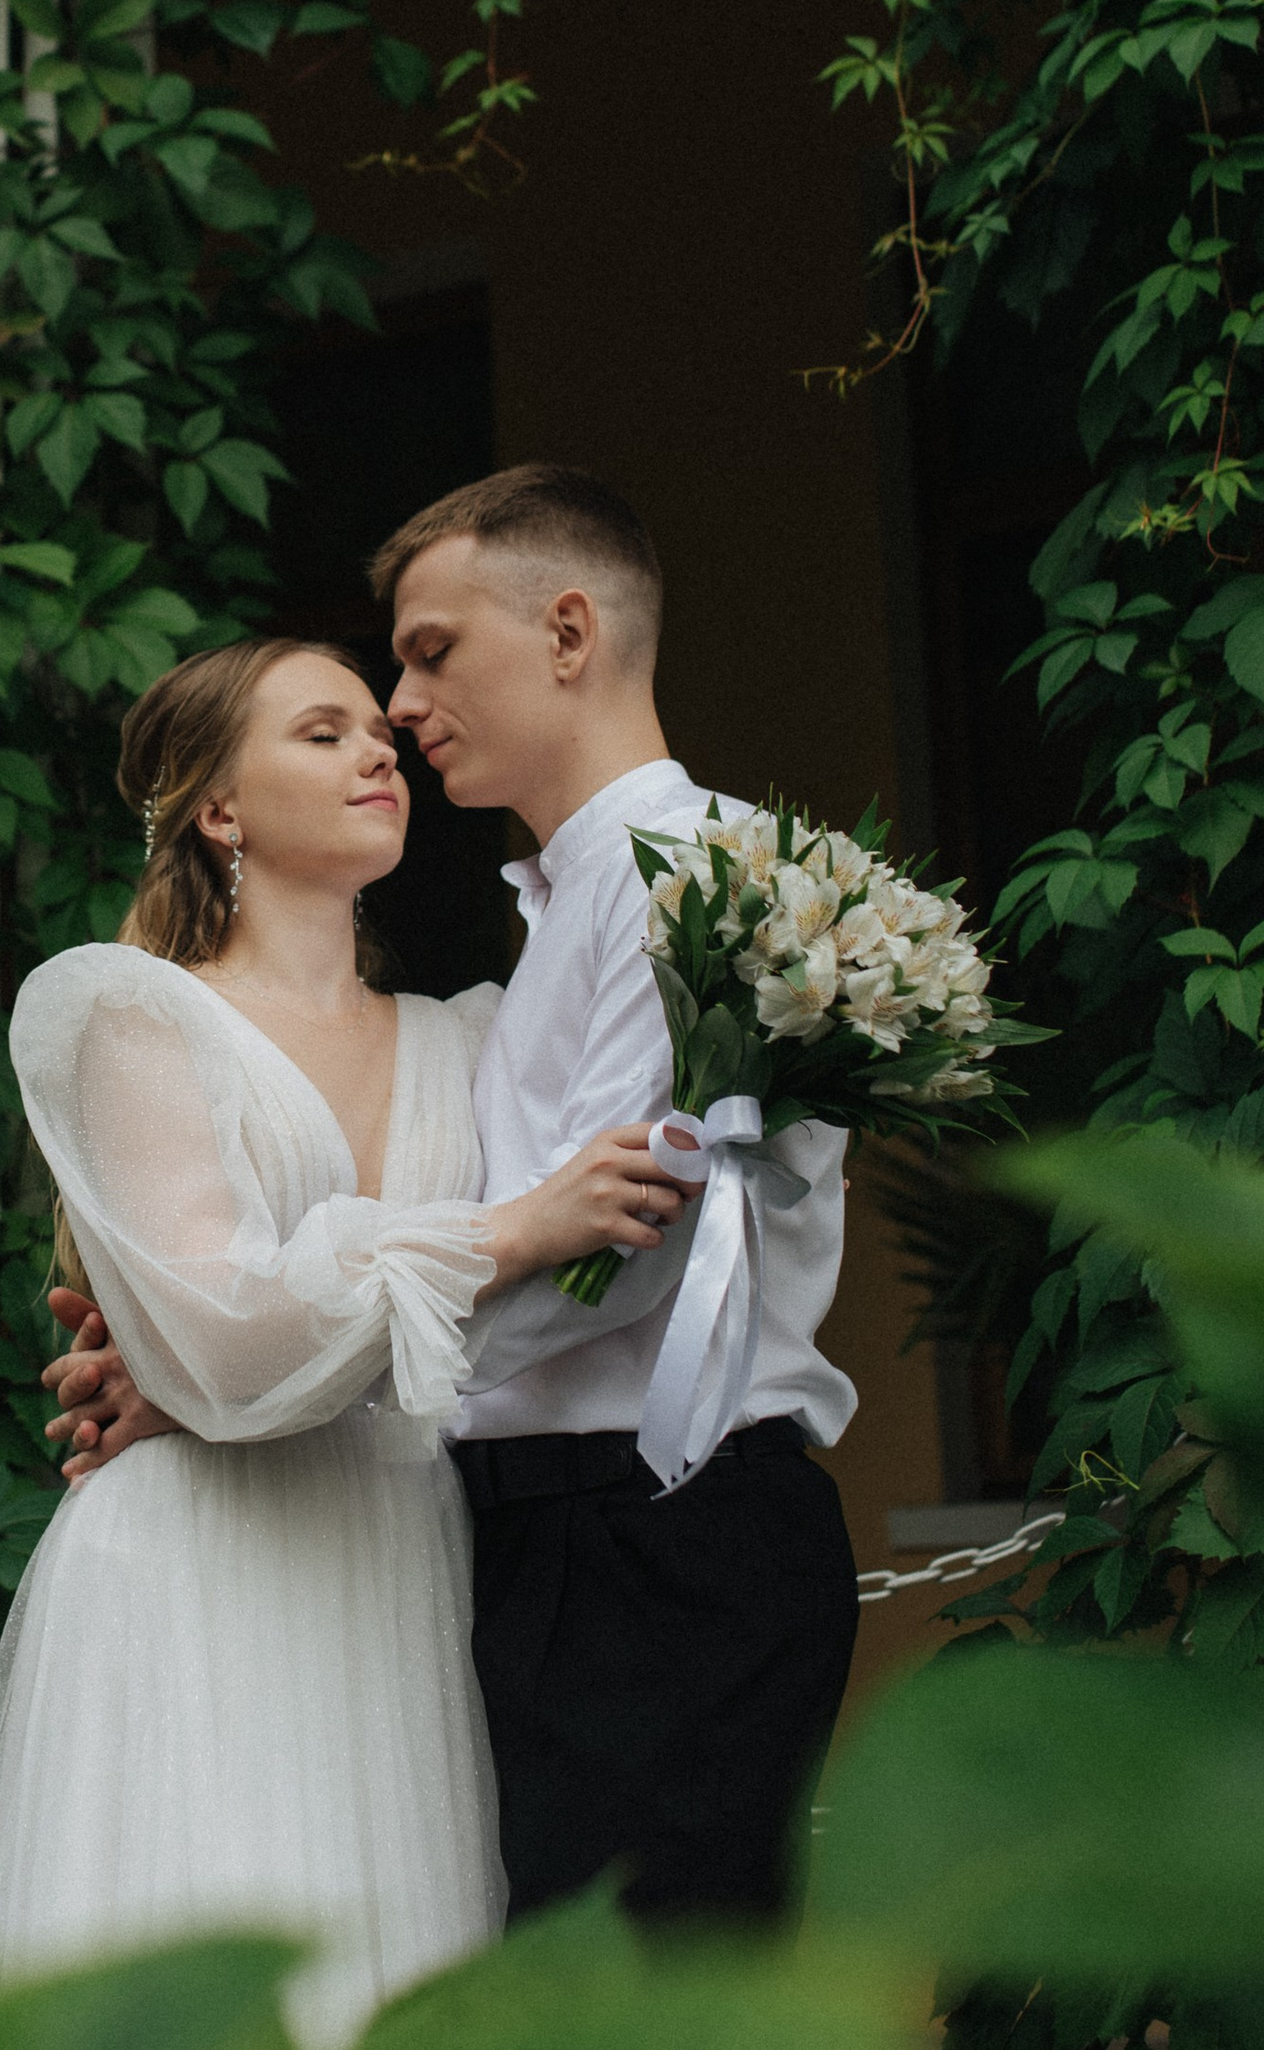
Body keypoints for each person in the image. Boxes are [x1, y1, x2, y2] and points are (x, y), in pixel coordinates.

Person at [48, 465, 861, 1934]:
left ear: (566, 635)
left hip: (658, 1526)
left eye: (426, 658)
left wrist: (250, 1381)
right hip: (510, 1538)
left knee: (642, 2026)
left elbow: (625, 1248)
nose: (402, 718)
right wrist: (207, 1348)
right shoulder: (531, 945)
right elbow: (481, 1227)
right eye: (355, 705)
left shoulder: (710, 884)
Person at [0, 633, 681, 2050]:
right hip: (202, 1582)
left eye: (379, 731)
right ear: (218, 808)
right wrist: (507, 1232)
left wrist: (236, 1354)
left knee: (394, 1998)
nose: (378, 751)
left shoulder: (472, 1039)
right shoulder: (136, 1018)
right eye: (324, 731)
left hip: (402, 1553)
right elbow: (226, 1337)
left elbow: (306, 1338)